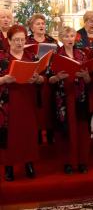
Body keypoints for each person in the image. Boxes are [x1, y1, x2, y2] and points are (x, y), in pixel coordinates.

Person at [0, 25, 45, 181]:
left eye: (22, 40)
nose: (19, 43)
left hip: (28, 100)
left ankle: (29, 164)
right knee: (12, 135)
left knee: (28, 133)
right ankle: (9, 166)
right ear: (9, 40)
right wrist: (3, 80)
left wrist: (37, 79)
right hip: (9, 102)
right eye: (16, 40)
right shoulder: (1, 57)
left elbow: (42, 77)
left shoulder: (32, 57)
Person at [48, 26, 91, 175]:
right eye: (66, 36)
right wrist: (57, 77)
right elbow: (49, 79)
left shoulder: (81, 54)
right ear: (60, 38)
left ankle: (82, 162)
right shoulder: (55, 55)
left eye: (72, 36)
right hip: (63, 97)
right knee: (66, 131)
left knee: (81, 130)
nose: (70, 39)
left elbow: (89, 79)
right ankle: (67, 163)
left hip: (80, 96)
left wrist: (85, 75)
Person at [26, 14, 58, 145]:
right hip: (32, 79)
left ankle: (50, 133)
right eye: (38, 24)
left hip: (49, 78)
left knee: (49, 106)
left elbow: (57, 59)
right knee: (36, 109)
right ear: (32, 27)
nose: (41, 26)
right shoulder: (27, 42)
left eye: (43, 24)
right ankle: (37, 133)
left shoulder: (52, 41)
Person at [75, 11, 93, 138]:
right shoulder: (77, 36)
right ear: (85, 22)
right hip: (82, 74)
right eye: (91, 21)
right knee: (85, 104)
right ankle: (85, 133)